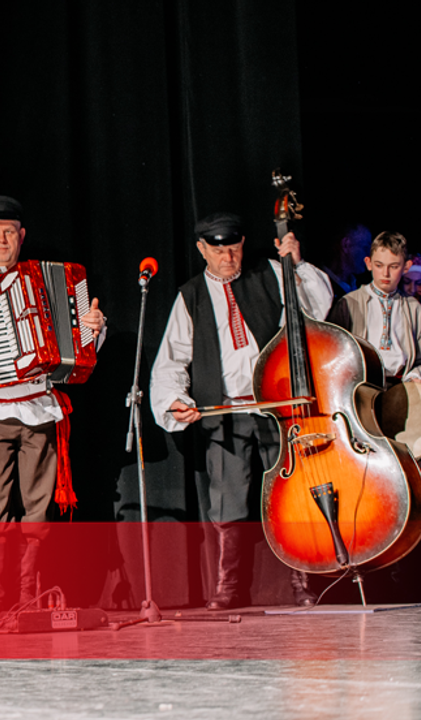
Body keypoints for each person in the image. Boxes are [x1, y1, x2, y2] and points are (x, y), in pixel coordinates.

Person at [150, 211, 334, 609]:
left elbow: (317, 308)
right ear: (202, 249)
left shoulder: (270, 273)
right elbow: (171, 360)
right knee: (227, 503)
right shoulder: (191, 295)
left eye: (234, 249)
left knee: (292, 497)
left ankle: (303, 580)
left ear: (243, 245)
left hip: (277, 409)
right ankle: (228, 586)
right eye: (218, 251)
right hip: (226, 414)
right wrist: (175, 400)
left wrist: (297, 264)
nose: (228, 258)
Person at [0, 195, 106, 618]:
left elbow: (80, 346)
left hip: (38, 408)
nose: (1, 240)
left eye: (9, 232)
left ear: (21, 236)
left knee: (38, 510)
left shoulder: (48, 277)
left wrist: (93, 329)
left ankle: (30, 592)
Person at [328, 232, 421, 386]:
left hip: (402, 385)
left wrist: (415, 376)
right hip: (361, 385)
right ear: (368, 263)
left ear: (406, 267)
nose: (385, 273)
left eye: (394, 266)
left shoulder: (413, 307)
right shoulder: (349, 303)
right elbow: (333, 352)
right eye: (379, 265)